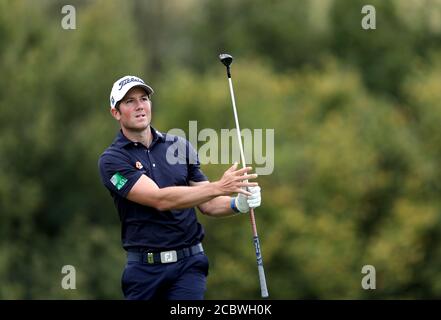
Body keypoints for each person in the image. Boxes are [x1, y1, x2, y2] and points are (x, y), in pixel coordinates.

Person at [98, 75, 262, 300]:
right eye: (129, 102)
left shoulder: (178, 146)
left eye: (143, 98)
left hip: (189, 266)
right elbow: (159, 199)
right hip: (144, 272)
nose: (139, 106)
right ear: (115, 112)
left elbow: (209, 204)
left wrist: (238, 203)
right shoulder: (112, 161)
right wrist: (219, 186)